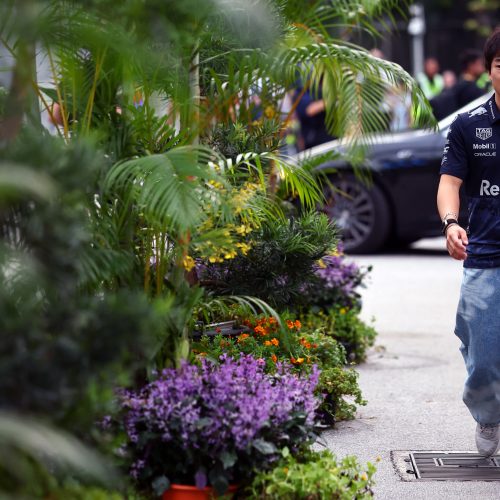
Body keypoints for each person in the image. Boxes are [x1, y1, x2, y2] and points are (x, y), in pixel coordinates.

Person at [437, 27, 500, 458]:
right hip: (486, 254)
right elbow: (449, 183)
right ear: (489, 70)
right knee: (484, 356)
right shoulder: (468, 125)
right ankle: (489, 415)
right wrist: (450, 223)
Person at [431, 49, 486, 120]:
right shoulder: (472, 89)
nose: (483, 68)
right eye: (480, 64)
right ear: (471, 66)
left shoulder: (456, 85)